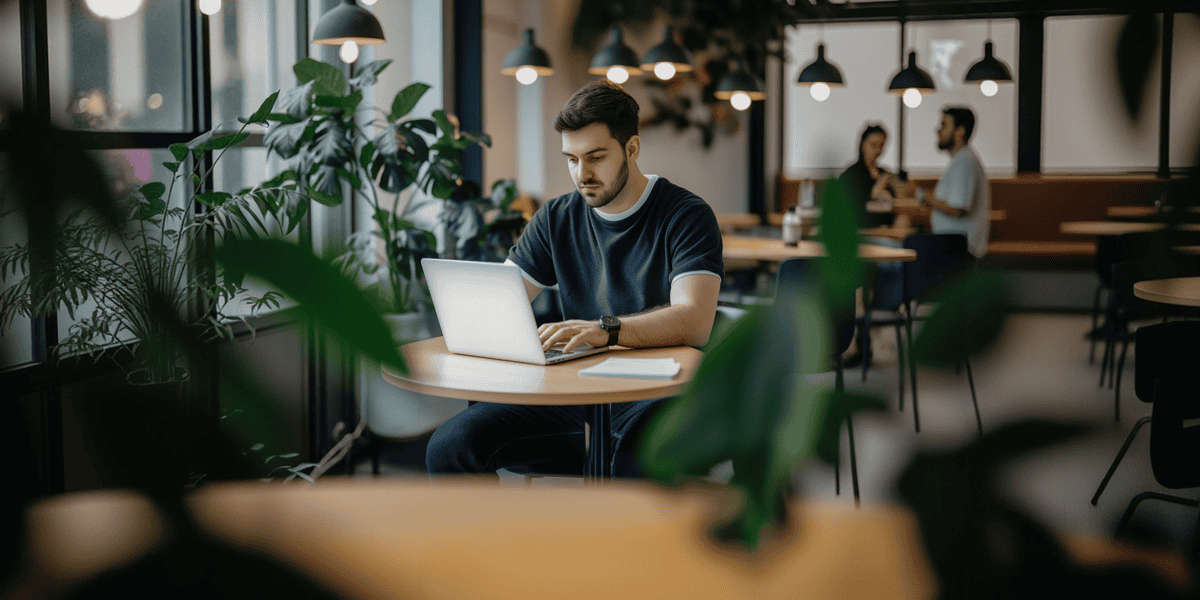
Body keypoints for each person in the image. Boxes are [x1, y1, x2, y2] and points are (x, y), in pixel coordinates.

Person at [425, 80, 724, 479]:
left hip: (656, 397)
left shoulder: (685, 215)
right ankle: (488, 544)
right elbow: (504, 302)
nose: (581, 173)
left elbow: (695, 320)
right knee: (451, 447)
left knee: (635, 464)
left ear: (631, 149)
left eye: (596, 157)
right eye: (571, 158)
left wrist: (607, 330)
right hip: (574, 396)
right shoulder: (556, 218)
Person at [911, 106, 990, 260]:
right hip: (952, 247)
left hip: (959, 251)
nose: (938, 130)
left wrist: (920, 194)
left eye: (944, 125)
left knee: (902, 250)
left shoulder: (965, 163)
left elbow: (957, 209)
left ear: (959, 131)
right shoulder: (962, 161)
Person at [837, 123, 902, 229]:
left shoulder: (885, 173)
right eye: (873, 145)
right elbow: (851, 210)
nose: (877, 150)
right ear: (862, 144)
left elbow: (895, 203)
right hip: (864, 231)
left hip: (887, 227)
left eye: (881, 145)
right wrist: (876, 191)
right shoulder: (851, 175)